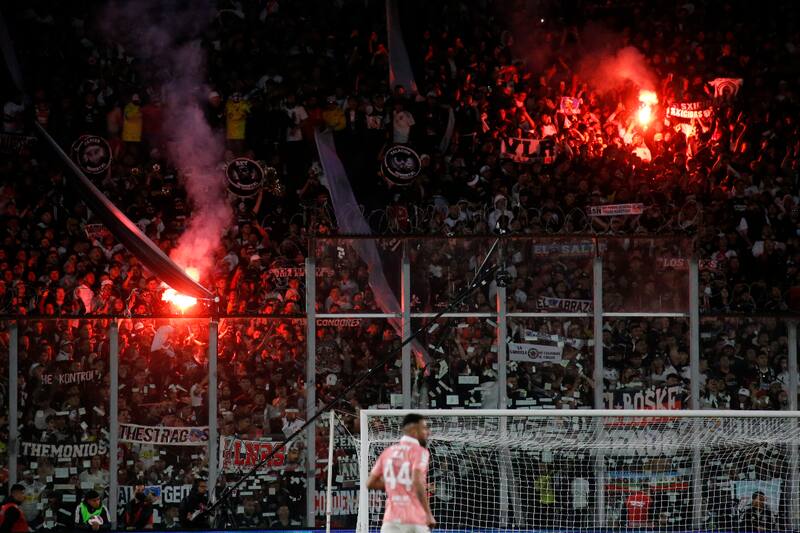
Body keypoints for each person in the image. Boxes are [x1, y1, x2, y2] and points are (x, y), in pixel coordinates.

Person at [367, 413, 435, 533]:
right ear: (414, 430)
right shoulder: (420, 451)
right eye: (424, 428)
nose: (428, 432)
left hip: (391, 521)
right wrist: (428, 514)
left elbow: (370, 483)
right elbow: (417, 481)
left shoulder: (388, 452)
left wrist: (395, 482)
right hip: (415, 520)